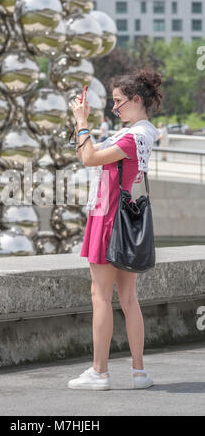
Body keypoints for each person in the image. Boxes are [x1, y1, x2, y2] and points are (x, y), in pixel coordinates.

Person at [68, 68, 162, 391]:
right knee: (129, 297)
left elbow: (89, 157)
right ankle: (138, 372)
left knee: (101, 297)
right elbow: (86, 154)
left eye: (118, 102)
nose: (114, 108)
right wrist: (80, 127)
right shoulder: (144, 133)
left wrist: (81, 121)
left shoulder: (131, 137)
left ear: (137, 100)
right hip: (124, 217)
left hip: (108, 218)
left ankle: (100, 372)